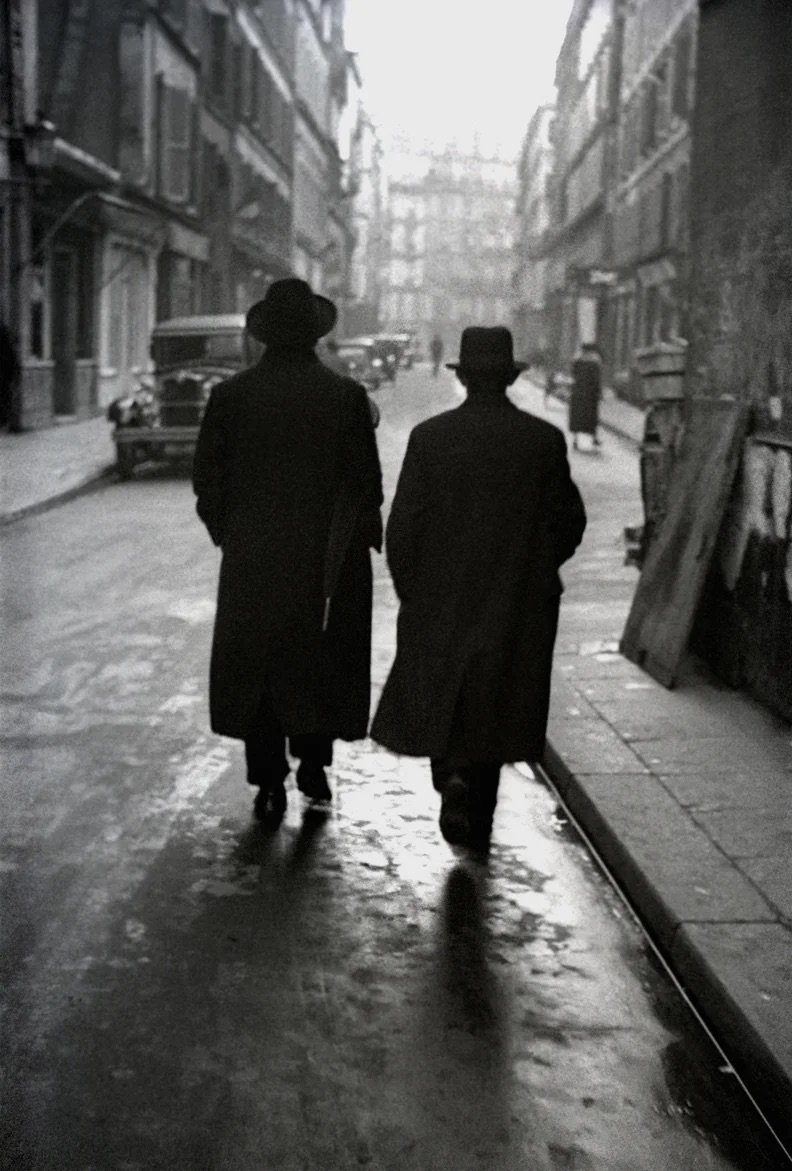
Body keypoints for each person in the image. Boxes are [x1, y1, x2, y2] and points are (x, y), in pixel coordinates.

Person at [371, 326, 586, 852]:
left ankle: (449, 775)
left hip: (441, 594)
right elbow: (568, 522)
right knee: (497, 700)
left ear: (464, 377)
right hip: (516, 597)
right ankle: (479, 805)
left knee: (445, 689)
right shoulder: (542, 441)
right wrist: (535, 568)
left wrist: (412, 589)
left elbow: (403, 526)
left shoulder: (431, 437)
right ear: (508, 379)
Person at [193, 279, 383, 823]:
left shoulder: (231, 396)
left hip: (253, 556)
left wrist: (232, 534)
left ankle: (268, 776)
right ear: (316, 335)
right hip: (325, 559)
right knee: (318, 659)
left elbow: (207, 481)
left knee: (258, 664)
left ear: (265, 336)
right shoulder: (345, 397)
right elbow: (366, 485)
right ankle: (314, 764)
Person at [569, 341, 602, 450]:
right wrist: (599, 392)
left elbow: (573, 373)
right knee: (591, 416)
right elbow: (596, 379)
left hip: (578, 392)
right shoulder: (595, 362)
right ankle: (594, 438)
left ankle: (575, 439)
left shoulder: (577, 360)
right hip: (590, 393)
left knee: (577, 416)